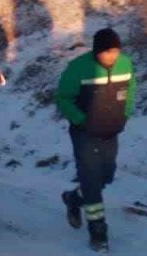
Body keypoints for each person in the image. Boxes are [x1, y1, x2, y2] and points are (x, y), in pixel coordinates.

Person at [55, 28, 136, 252]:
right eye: (107, 52)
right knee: (91, 180)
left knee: (105, 176)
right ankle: (98, 231)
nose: (112, 56)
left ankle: (74, 198)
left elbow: (130, 91)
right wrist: (80, 120)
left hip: (111, 131)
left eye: (115, 51)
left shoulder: (125, 64)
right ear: (97, 51)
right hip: (84, 133)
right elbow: (62, 98)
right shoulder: (78, 68)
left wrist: (125, 115)